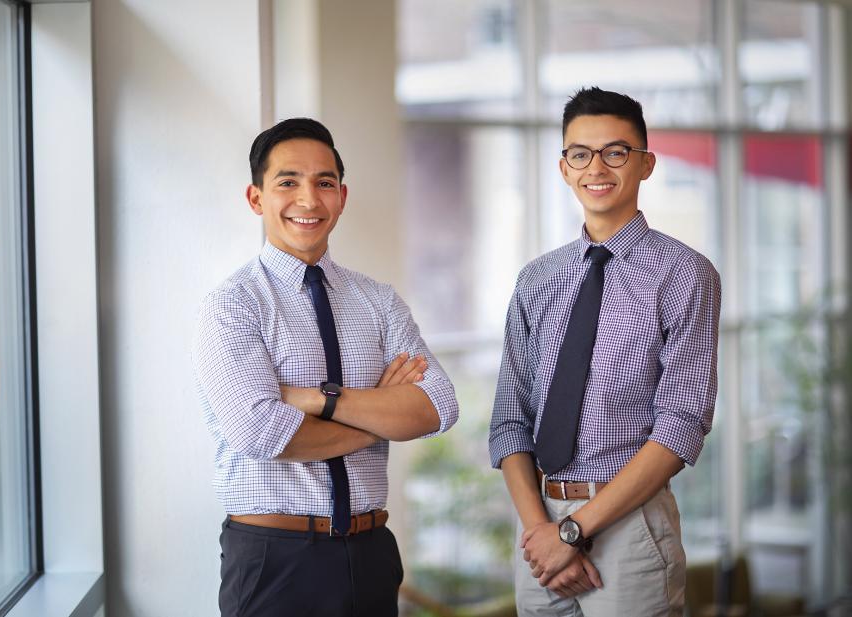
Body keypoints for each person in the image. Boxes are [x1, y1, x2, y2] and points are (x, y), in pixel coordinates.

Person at [192, 117, 458, 617]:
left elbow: (437, 407)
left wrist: (319, 401)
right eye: (287, 182)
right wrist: (378, 419)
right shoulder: (233, 305)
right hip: (275, 559)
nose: (309, 200)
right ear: (256, 198)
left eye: (324, 183)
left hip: (371, 550)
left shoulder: (378, 301)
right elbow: (263, 433)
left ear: (342, 196)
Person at [488, 87, 721, 616]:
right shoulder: (537, 279)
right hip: (539, 527)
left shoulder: (685, 275)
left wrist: (575, 529)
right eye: (580, 153)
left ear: (646, 164)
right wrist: (545, 531)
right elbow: (509, 422)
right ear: (565, 167)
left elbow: (681, 426)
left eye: (616, 152)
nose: (597, 167)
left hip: (629, 526)